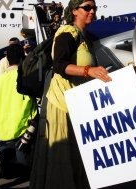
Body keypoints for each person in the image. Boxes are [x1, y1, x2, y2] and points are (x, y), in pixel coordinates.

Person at [30, 0, 111, 188]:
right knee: (64, 158)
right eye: (87, 7)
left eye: (94, 7)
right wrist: (88, 71)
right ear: (74, 10)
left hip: (78, 104)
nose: (92, 11)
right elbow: (59, 64)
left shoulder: (85, 36)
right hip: (63, 105)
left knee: (77, 156)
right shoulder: (69, 32)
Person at [0, 43, 35, 187]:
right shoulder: (25, 77)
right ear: (22, 59)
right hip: (23, 130)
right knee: (27, 163)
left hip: (1, 131)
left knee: (6, 157)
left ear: (7, 60)